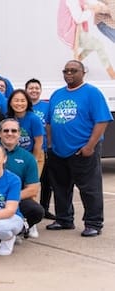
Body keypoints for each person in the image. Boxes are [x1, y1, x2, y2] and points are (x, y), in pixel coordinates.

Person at [45, 60, 111, 237]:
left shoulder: (92, 93)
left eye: (73, 70)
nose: (69, 73)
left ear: (83, 72)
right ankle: (64, 219)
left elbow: (102, 120)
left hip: (82, 150)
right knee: (60, 188)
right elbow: (49, 122)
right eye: (65, 70)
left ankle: (94, 223)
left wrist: (90, 146)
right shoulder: (57, 94)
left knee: (89, 188)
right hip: (58, 151)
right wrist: (50, 144)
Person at [0, 118, 45, 242]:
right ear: (0, 133)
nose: (10, 133)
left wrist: (11, 198)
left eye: (14, 130)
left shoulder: (28, 158)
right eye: (6, 130)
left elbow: (33, 189)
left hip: (14, 201)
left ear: (19, 134)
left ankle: (18, 230)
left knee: (37, 211)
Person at [26, 79, 55, 220]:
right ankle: (31, 208)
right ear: (26, 90)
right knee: (31, 181)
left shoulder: (47, 106)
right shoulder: (24, 106)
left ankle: (45, 208)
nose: (34, 90)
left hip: (44, 149)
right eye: (31, 88)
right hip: (28, 150)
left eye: (37, 88)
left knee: (47, 181)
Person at [6, 90, 45, 174]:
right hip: (14, 154)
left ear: (28, 103)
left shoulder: (34, 119)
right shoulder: (7, 119)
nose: (19, 103)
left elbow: (39, 142)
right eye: (16, 100)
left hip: (33, 153)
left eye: (23, 101)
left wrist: (34, 160)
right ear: (10, 103)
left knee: (31, 183)